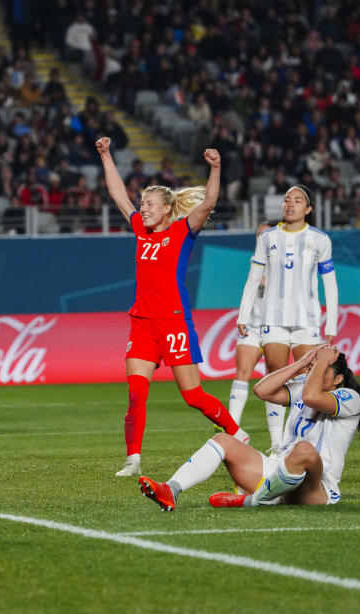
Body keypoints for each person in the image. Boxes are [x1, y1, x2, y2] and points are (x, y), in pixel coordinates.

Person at [96, 136, 249, 477]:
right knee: (136, 393)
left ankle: (238, 433)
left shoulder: (181, 232)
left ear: (166, 209)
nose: (143, 208)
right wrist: (106, 154)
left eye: (149, 204)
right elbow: (118, 195)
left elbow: (208, 203)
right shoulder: (140, 232)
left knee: (193, 395)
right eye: (143, 203)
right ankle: (133, 459)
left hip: (174, 322)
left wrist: (215, 168)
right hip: (143, 323)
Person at [138, 345, 360, 510]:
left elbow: (312, 397)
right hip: (279, 473)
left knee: (303, 451)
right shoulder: (305, 385)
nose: (313, 373)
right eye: (313, 370)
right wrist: (302, 363)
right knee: (223, 441)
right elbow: (261, 391)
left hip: (316, 488)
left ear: (338, 379)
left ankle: (251, 501)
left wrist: (321, 360)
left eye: (322, 371)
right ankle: (171, 489)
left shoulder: (348, 397)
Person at [236, 184, 338, 456]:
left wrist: (332, 324)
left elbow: (330, 283)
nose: (289, 204)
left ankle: (307, 440)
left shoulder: (319, 239)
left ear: (308, 209)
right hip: (273, 319)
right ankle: (277, 443)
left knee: (310, 383)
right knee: (275, 379)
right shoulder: (267, 238)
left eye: (297, 200)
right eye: (286, 200)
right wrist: (244, 313)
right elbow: (253, 279)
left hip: (307, 320)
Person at [227, 222, 271, 433]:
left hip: (276, 327)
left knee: (273, 380)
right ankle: (232, 429)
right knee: (242, 372)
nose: (260, 238)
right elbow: (251, 289)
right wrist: (243, 317)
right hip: (253, 327)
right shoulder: (254, 260)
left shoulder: (284, 260)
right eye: (258, 234)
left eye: (264, 234)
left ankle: (278, 441)